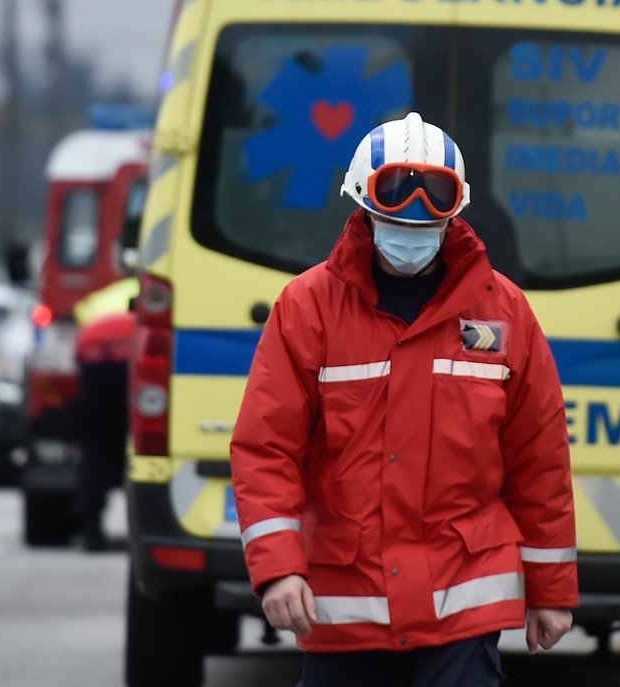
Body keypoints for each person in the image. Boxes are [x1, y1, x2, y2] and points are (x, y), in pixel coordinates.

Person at [231, 112, 577, 687]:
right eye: (396, 193)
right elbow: (266, 449)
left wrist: (551, 590)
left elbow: (539, 459)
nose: (413, 212)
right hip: (345, 606)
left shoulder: (503, 313)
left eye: (432, 197)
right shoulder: (308, 309)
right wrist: (278, 571)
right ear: (361, 201)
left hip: (462, 608)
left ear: (457, 205)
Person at [71, 277, 138, 551]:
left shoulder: (99, 299)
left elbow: (79, 328)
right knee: (135, 445)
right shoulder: (148, 288)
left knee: (96, 449)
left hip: (95, 366)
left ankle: (91, 527)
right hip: (130, 364)